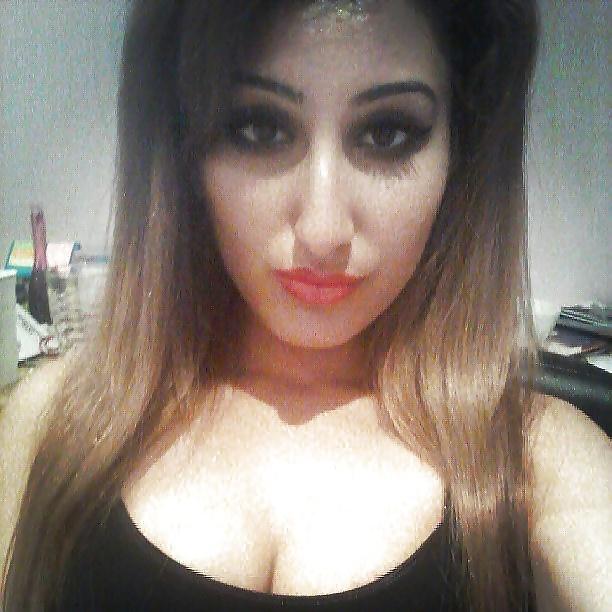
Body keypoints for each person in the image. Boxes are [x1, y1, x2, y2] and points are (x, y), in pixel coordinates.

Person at [1, 0, 610, 610]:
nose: (322, 231)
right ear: (185, 155)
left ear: (459, 157)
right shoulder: (49, 426)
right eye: (259, 128)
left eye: (388, 133)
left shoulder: (541, 464)